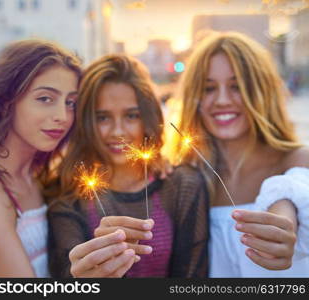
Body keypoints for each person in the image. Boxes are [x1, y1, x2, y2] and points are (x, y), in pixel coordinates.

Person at [44, 54, 209, 278]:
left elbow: (192, 275)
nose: (118, 132)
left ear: (148, 118)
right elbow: (66, 277)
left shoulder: (182, 185)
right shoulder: (67, 199)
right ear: (85, 122)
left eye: (131, 116)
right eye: (102, 118)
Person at [174, 31, 309, 277]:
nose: (222, 100)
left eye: (237, 87)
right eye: (209, 88)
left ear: (262, 92)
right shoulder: (187, 177)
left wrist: (283, 219)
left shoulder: (299, 160)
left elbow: (292, 192)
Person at [0, 39, 82, 277]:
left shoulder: (39, 175)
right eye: (45, 99)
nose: (62, 116)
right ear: (6, 103)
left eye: (70, 102)